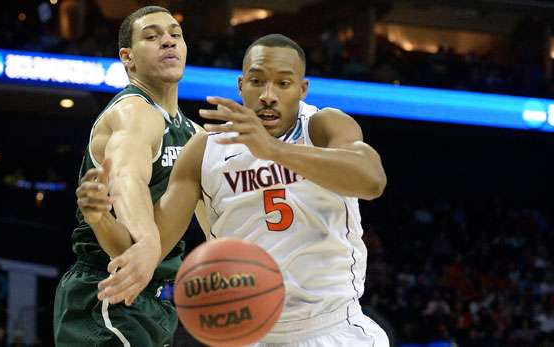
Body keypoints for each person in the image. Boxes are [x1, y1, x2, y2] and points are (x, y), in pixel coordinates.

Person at [81, 34, 389, 346]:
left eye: (283, 84)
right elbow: (146, 252)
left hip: (332, 330)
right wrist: (100, 219)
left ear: (302, 89)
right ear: (241, 85)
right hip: (246, 332)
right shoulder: (204, 150)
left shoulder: (323, 127)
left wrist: (273, 150)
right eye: (257, 81)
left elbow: (371, 180)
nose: (268, 95)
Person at [53, 6, 208, 346]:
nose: (168, 42)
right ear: (128, 57)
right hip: (103, 293)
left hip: (153, 300)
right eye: (152, 37)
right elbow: (127, 180)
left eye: (175, 35)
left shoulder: (194, 134)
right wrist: (148, 240)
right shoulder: (133, 112)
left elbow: (217, 226)